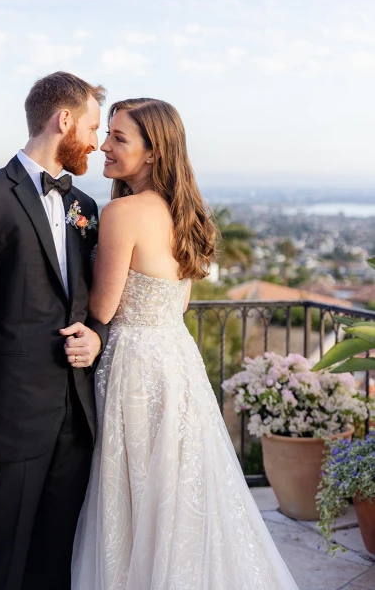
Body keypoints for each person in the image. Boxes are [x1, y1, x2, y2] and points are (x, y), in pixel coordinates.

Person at [72, 98, 299, 590]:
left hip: (132, 363)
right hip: (176, 358)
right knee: (179, 491)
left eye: (118, 138)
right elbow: (176, 306)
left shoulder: (121, 212)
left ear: (154, 152)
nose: (105, 146)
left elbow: (103, 309)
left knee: (132, 491)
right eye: (107, 134)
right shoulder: (188, 213)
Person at [0, 71, 109, 590]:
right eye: (93, 127)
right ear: (64, 121)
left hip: (75, 422)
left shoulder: (86, 207)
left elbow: (92, 302)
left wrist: (96, 333)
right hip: (8, 425)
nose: (98, 143)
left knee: (53, 561)